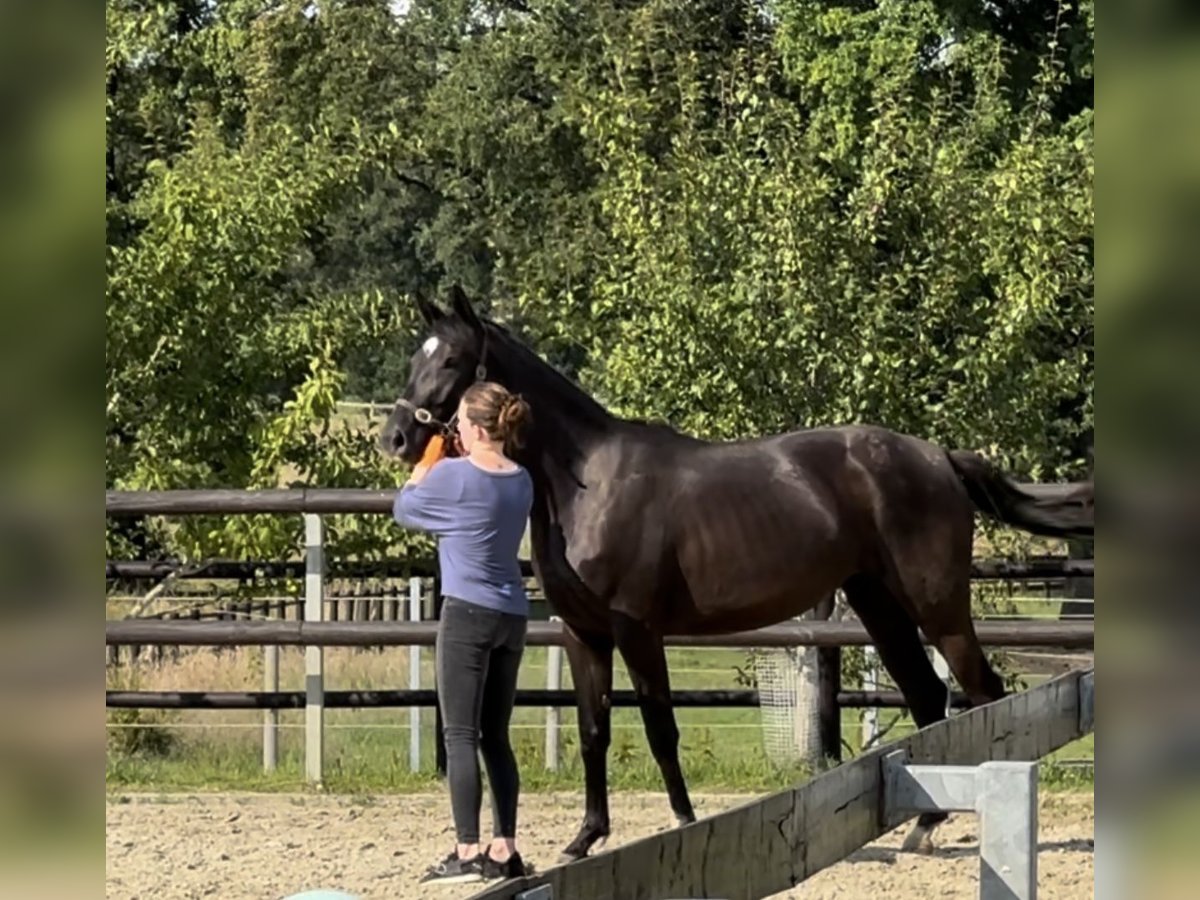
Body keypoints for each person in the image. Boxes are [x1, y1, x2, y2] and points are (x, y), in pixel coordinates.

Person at [392, 381, 535, 885]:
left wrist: (430, 455)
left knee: (459, 735)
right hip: (511, 615)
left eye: (457, 422)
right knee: (497, 736)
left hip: (466, 613)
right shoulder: (522, 480)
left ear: (473, 428)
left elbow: (404, 508)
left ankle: (467, 849)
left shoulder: (451, 476)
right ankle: (506, 846)